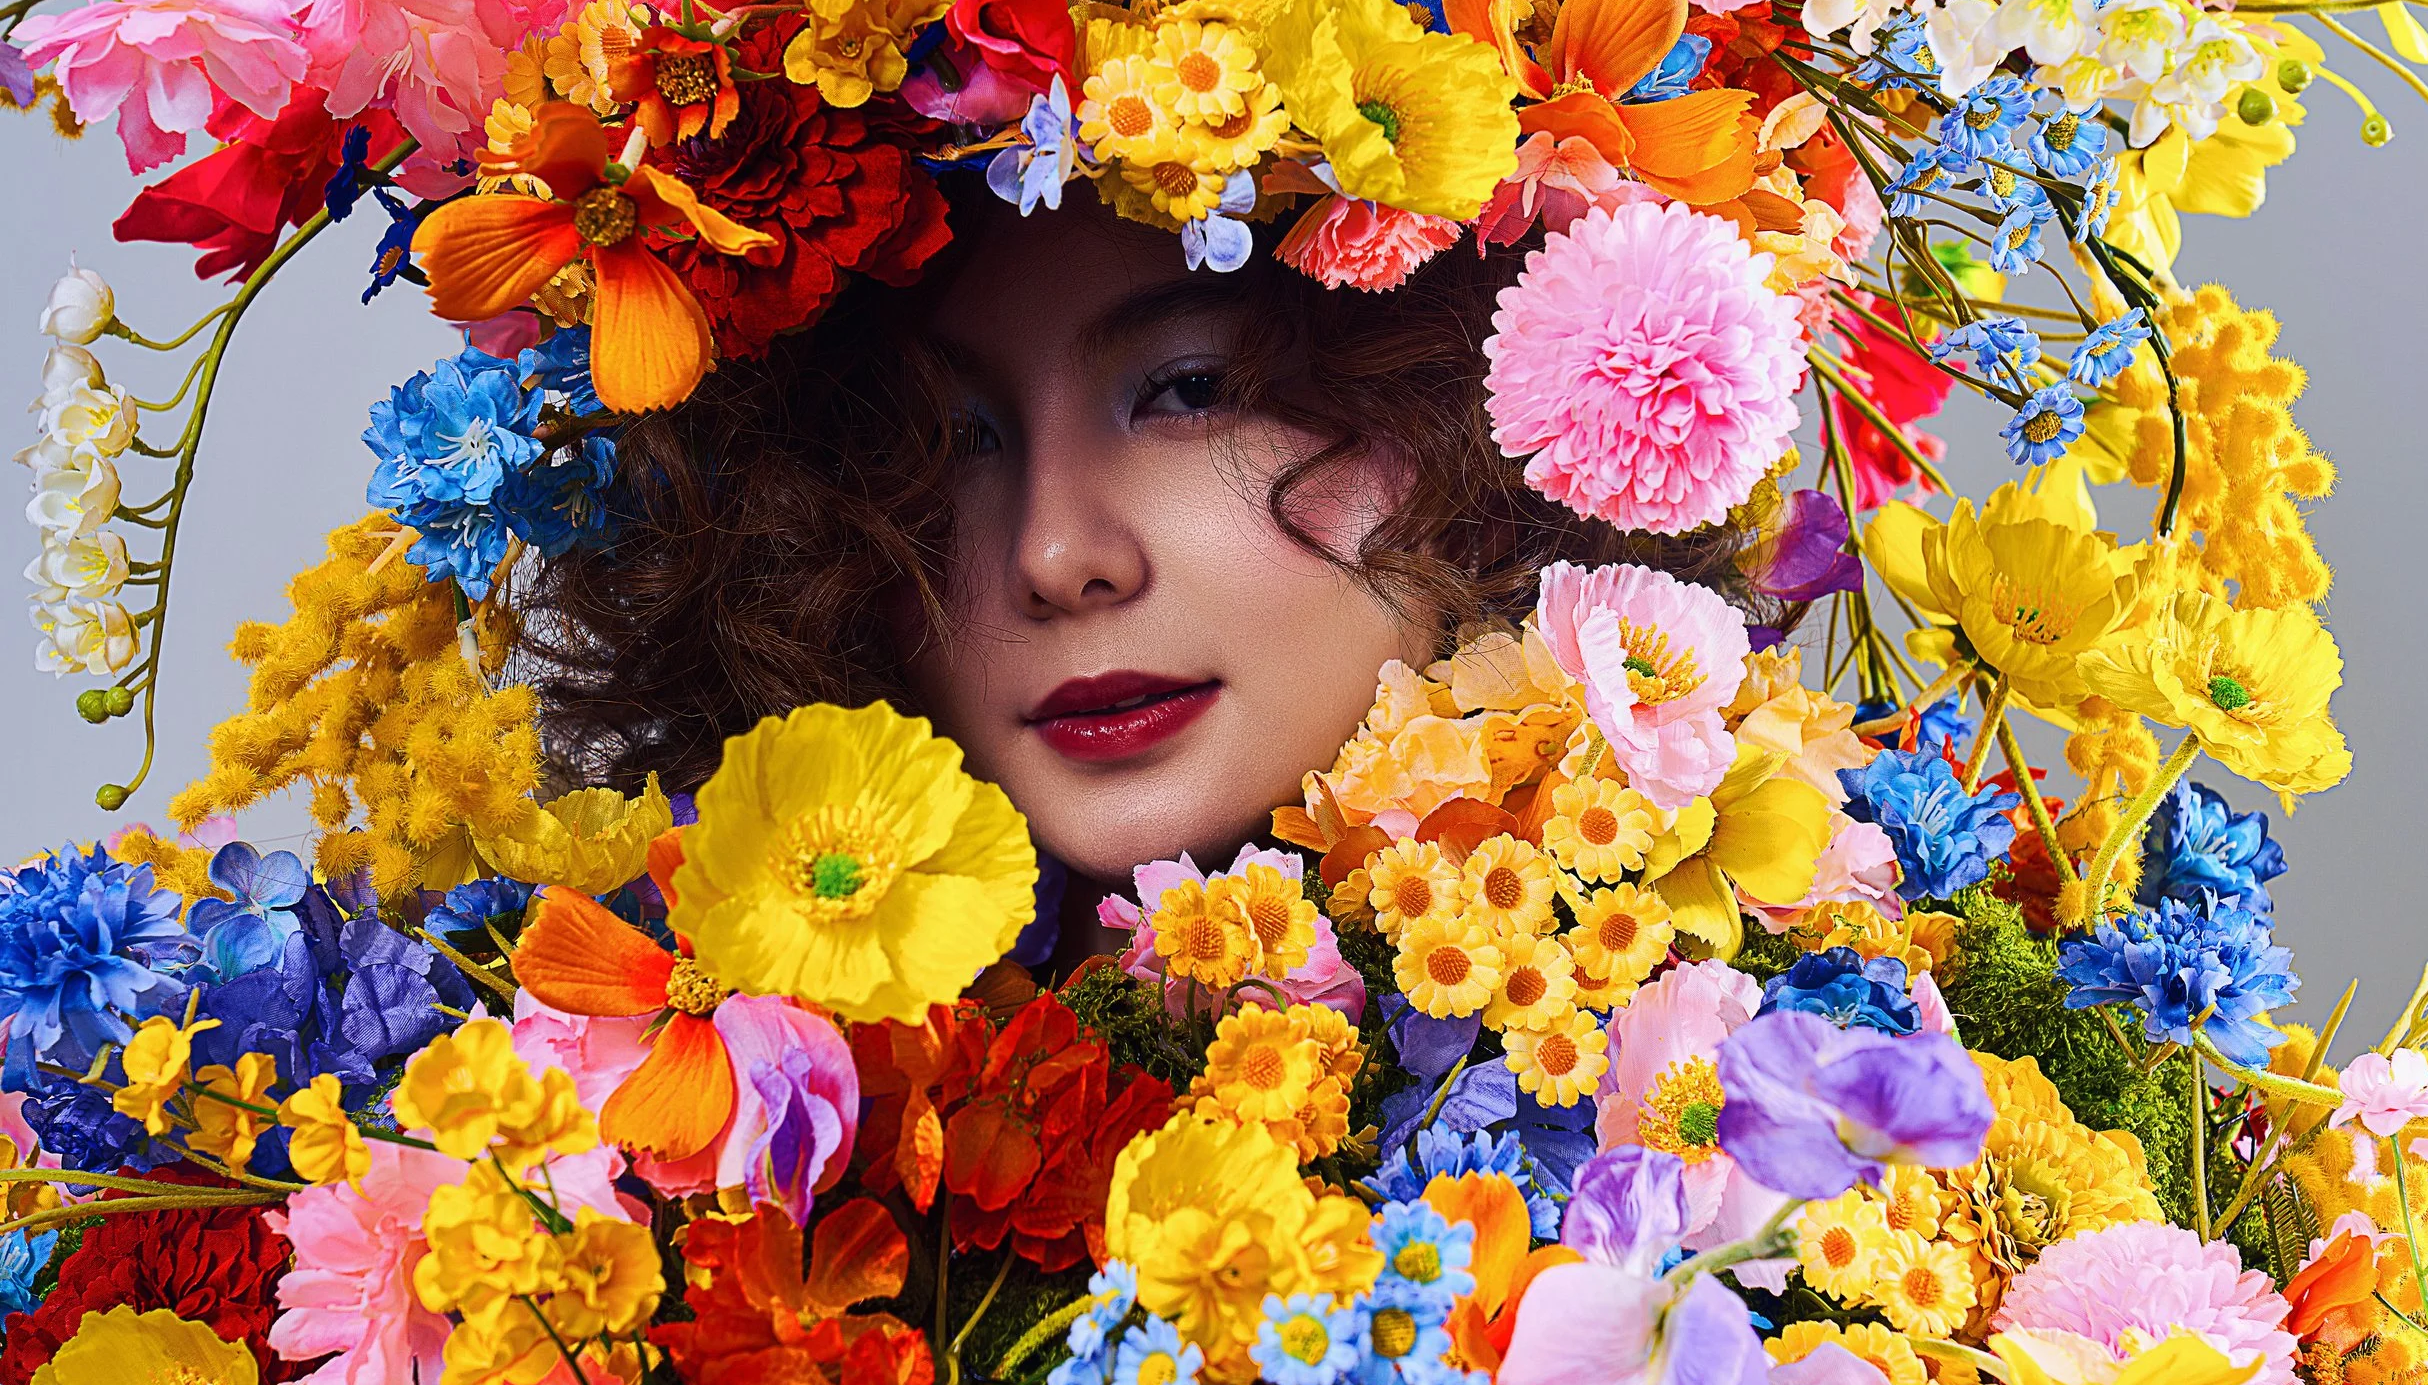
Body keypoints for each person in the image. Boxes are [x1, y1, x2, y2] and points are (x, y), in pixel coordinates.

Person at [526, 187, 1749, 976]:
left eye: (1191, 390)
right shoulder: (642, 1166)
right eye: (945, 440)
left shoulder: (1771, 1167)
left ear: (1474, 426)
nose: (1055, 556)